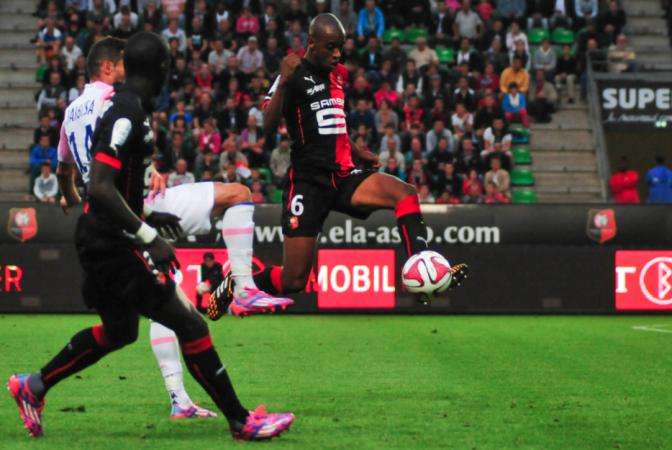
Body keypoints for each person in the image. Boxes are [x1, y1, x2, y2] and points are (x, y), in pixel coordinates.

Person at [10, 32, 294, 441]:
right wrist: (149, 236)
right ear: (155, 70)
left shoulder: (83, 110)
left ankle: (32, 386)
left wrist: (144, 213)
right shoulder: (123, 109)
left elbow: (78, 177)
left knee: (119, 330)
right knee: (190, 323)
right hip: (114, 237)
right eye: (167, 69)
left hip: (102, 230)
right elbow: (103, 186)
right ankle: (240, 419)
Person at [209, 14, 468, 315]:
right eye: (331, 47)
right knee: (294, 279)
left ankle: (422, 266)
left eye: (340, 47)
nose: (337, 54)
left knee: (405, 193)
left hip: (344, 174)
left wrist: (356, 151)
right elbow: (266, 126)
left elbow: (332, 124)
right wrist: (282, 84)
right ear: (312, 43)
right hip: (307, 183)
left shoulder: (338, 73)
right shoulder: (292, 73)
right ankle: (235, 284)